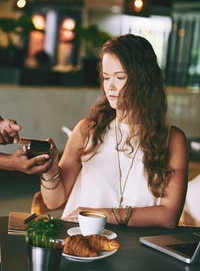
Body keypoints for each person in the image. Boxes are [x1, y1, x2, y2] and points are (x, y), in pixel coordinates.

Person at [40, 34, 188, 228]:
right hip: (80, 240)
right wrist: (49, 169)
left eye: (119, 77)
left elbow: (168, 217)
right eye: (106, 77)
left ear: (143, 80)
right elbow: (53, 201)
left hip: (135, 250)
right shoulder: (87, 130)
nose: (109, 86)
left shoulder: (172, 139)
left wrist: (99, 214)